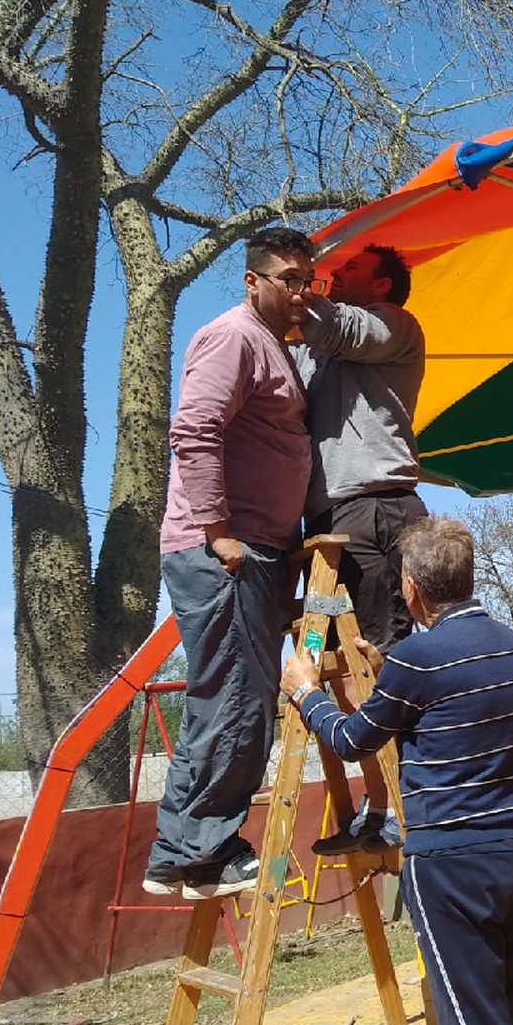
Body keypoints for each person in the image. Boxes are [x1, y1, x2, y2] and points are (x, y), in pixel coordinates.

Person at [279, 516, 513, 1025]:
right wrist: (390, 670)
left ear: (413, 588)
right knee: (496, 1010)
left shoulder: (419, 661)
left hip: (450, 865)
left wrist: (307, 693)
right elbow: (450, 704)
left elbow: (352, 740)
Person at [142, 225, 317, 900]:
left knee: (227, 698)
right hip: (225, 548)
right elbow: (193, 429)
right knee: (239, 700)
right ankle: (207, 845)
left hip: (256, 547)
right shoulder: (234, 336)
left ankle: (179, 855)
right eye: (290, 279)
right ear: (253, 280)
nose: (303, 291)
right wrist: (217, 530)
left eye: (309, 279)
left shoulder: (275, 345)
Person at [291, 243, 426, 854]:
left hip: (376, 513)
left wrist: (297, 294)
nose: (333, 274)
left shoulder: (392, 325)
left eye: (349, 269)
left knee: (383, 656)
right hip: (325, 532)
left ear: (383, 282)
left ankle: (413, 803)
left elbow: (341, 325)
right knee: (334, 663)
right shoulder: (323, 350)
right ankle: (375, 801)